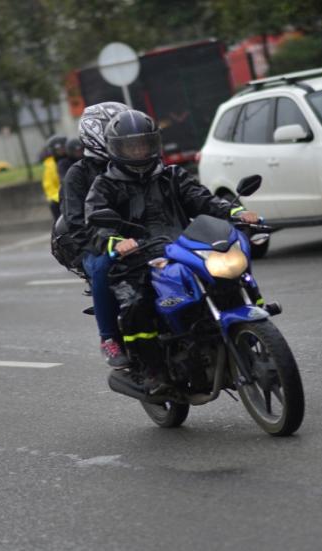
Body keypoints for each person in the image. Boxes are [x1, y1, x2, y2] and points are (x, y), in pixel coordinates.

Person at [85, 110, 260, 392]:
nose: (139, 151)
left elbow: (203, 200)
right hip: (137, 258)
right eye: (131, 146)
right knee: (138, 304)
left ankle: (248, 326)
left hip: (182, 248)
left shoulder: (172, 175)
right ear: (116, 149)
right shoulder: (105, 185)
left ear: (154, 144)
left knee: (231, 275)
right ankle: (154, 371)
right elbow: (95, 223)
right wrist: (116, 242)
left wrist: (236, 212)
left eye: (143, 144)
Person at [56, 102, 129, 367]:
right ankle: (108, 338)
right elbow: (76, 223)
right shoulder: (78, 174)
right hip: (95, 244)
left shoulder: (138, 163)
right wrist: (105, 242)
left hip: (141, 238)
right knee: (103, 267)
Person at [42, 135, 67, 222]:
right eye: (58, 149)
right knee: (53, 205)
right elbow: (49, 187)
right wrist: (60, 197)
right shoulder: (49, 166)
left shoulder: (73, 159)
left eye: (63, 148)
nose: (61, 151)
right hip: (61, 197)